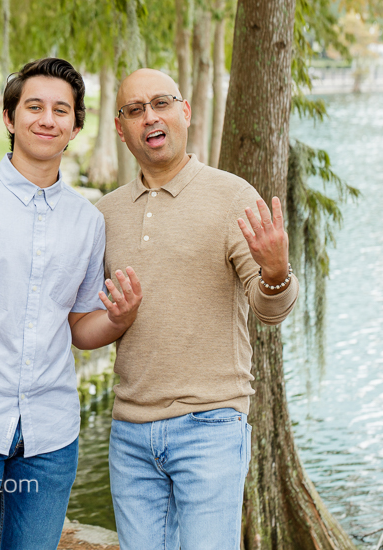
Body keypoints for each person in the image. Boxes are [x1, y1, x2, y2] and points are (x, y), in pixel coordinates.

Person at [0, 58, 142, 549]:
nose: (47, 119)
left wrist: (119, 319)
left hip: (50, 434)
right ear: (10, 118)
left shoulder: (88, 221)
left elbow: (79, 327)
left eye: (62, 110)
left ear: (75, 127)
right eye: (34, 106)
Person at [94, 68, 299, 550]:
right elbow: (86, 318)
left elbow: (271, 310)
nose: (150, 117)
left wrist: (275, 272)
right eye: (134, 110)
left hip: (210, 426)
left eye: (161, 103)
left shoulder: (232, 197)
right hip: (129, 433)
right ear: (120, 128)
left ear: (184, 112)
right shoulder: (103, 215)